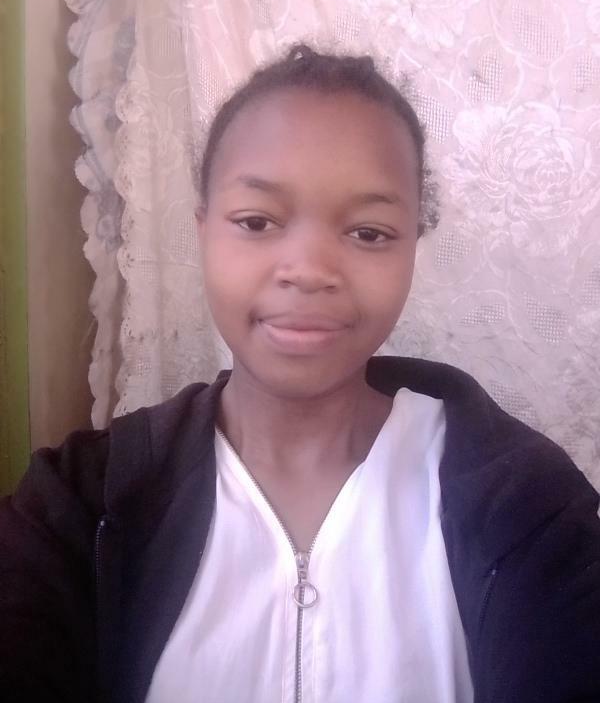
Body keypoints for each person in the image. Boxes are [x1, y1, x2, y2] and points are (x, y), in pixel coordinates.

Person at [1, 44, 599, 703]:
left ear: (412, 246)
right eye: (256, 222)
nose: (310, 270)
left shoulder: (526, 505)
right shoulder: (79, 505)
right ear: (203, 231)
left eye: (369, 232)